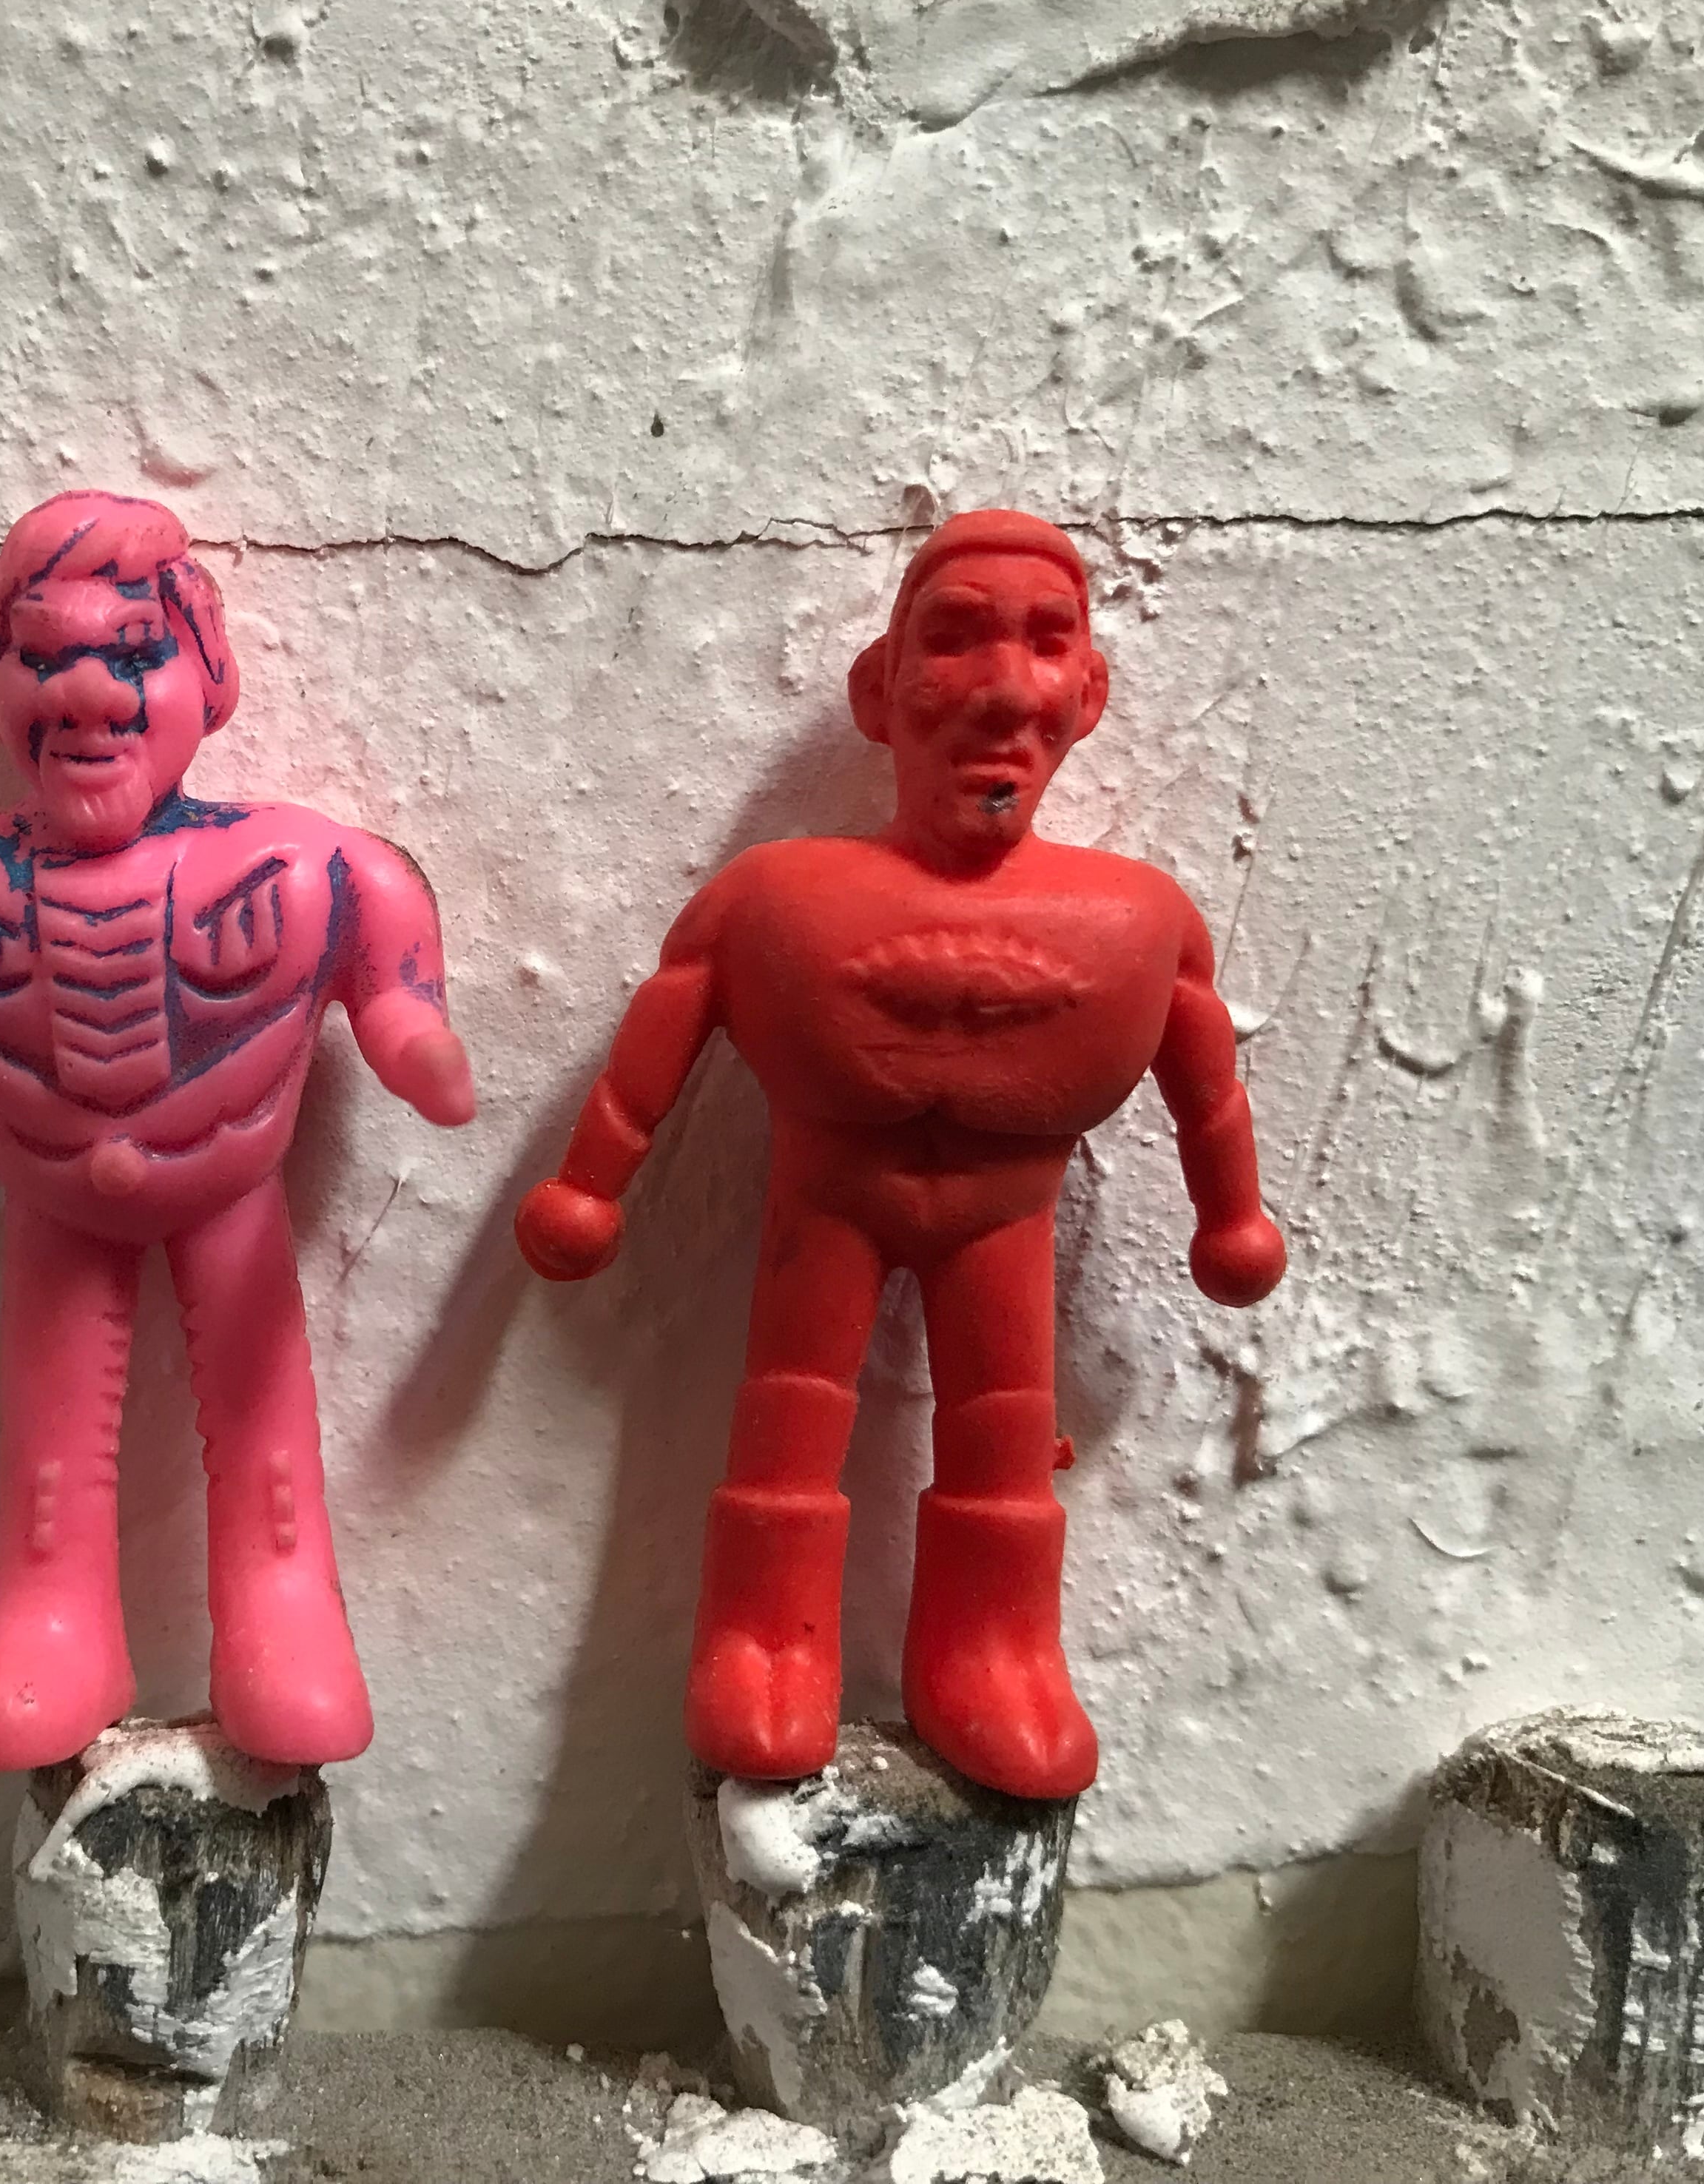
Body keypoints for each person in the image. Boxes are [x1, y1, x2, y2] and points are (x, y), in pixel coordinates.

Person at [516, 510, 1285, 1799]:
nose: (1004, 689)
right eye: (956, 639)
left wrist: (1235, 1217)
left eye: (1048, 645)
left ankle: (995, 1653)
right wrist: (590, 1183)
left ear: (1089, 697)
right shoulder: (774, 901)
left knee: (1004, 1430)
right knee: (788, 1415)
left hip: (1008, 1226)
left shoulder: (1140, 924)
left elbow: (1206, 1078)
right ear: (879, 691)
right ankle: (765, 1643)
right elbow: (669, 1018)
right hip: (827, 1210)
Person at [0, 491, 473, 1771]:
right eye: (41, 659)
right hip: (54, 1206)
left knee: (261, 1425)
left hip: (230, 1193)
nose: (87, 696)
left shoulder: (306, 866)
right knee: (48, 1452)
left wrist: (420, 1051)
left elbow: (395, 987)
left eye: (134, 655)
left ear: (209, 674)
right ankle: (54, 1628)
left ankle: (284, 1619)